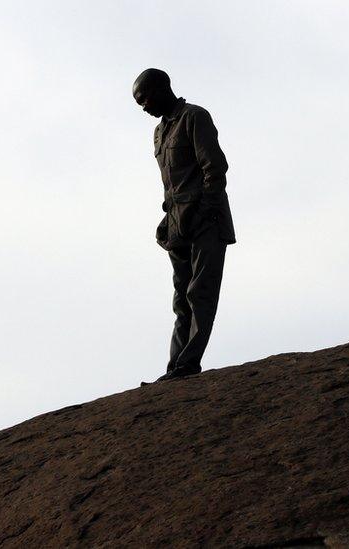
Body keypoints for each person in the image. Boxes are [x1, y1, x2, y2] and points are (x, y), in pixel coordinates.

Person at [132, 68, 236, 383]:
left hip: (206, 220)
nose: (143, 107)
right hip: (176, 227)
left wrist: (206, 210)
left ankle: (188, 365)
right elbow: (170, 185)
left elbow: (214, 167)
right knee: (181, 300)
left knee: (200, 294)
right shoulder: (160, 133)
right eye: (138, 103)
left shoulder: (195, 117)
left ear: (163, 88)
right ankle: (175, 366)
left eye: (144, 97)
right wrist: (169, 220)